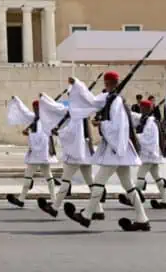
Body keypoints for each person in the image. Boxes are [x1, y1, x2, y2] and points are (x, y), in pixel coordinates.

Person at [62, 72, 150, 231]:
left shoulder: (116, 102)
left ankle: (87, 215)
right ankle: (142, 218)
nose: (105, 85)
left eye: (106, 83)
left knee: (99, 182)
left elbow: (118, 127)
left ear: (110, 83)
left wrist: (101, 124)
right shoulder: (109, 99)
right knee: (128, 185)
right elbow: (91, 100)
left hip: (115, 149)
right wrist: (77, 84)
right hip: (117, 149)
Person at [35, 77, 103, 221]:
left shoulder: (77, 113)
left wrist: (58, 132)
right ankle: (98, 210)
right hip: (84, 150)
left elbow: (72, 132)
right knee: (90, 181)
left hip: (78, 151)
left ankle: (54, 207)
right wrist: (45, 98)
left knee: (66, 180)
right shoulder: (78, 110)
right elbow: (57, 108)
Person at [5, 96, 58, 208]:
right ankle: (53, 199)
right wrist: (17, 100)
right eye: (34, 108)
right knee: (45, 176)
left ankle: (22, 199)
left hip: (39, 153)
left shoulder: (46, 120)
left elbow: (43, 136)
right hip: (39, 153)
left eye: (37, 108)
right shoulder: (34, 119)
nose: (35, 110)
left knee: (38, 176)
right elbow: (24, 111)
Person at [128, 99, 166, 210]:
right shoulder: (144, 119)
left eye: (143, 108)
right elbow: (134, 116)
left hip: (149, 154)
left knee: (140, 175)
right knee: (157, 177)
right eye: (140, 107)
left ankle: (134, 199)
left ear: (147, 109)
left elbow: (147, 138)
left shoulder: (150, 123)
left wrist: (135, 137)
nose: (141, 109)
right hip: (152, 154)